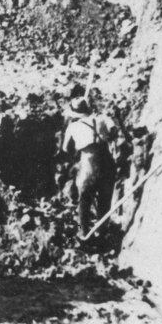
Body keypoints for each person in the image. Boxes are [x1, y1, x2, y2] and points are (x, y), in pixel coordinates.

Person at [61, 96, 116, 238]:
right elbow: (114, 132)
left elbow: (66, 149)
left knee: (84, 199)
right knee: (105, 198)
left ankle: (83, 231)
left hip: (88, 164)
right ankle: (102, 230)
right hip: (107, 162)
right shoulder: (102, 118)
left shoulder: (73, 127)